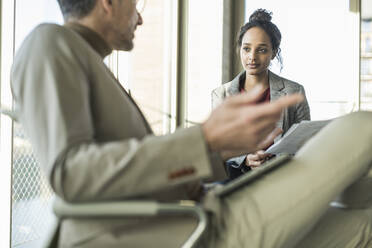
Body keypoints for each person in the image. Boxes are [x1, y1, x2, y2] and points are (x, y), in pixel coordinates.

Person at [10, 0, 372, 247]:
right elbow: (70, 174)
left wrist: (215, 151)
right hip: (196, 229)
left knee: (363, 223)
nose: (139, 18)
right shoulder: (49, 42)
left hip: (204, 208)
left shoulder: (91, 65)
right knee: (362, 128)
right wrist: (207, 140)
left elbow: (127, 171)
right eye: (136, 4)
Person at [212, 9, 310, 179]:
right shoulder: (221, 94)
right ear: (240, 50)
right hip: (237, 180)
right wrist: (245, 158)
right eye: (247, 49)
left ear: (274, 52)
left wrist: (276, 158)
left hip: (283, 179)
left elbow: (305, 143)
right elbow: (219, 146)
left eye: (262, 50)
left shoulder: (294, 91)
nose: (252, 57)